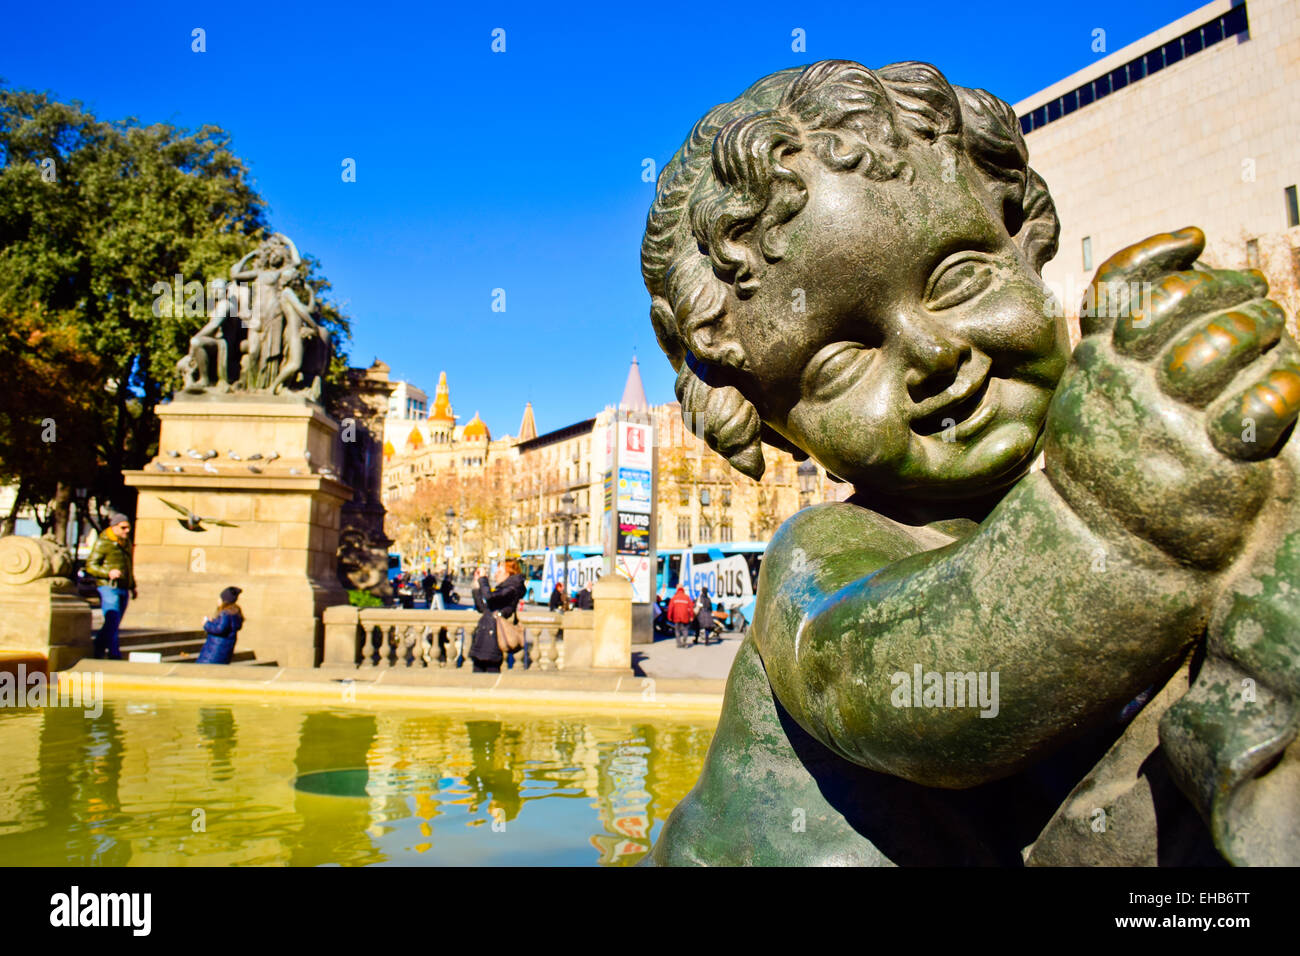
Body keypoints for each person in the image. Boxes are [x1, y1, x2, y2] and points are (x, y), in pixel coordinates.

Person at [642, 59, 1300, 866]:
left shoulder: (1055, 491)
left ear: (1026, 241)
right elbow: (916, 692)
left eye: (959, 276)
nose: (934, 353)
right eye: (841, 361)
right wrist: (1121, 525)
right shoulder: (827, 557)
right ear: (773, 427)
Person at [85, 513, 136, 660]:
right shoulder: (104, 542)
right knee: (112, 619)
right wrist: (108, 573)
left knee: (113, 623)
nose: (127, 530)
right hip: (108, 587)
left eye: (128, 527)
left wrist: (133, 586)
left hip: (123, 587)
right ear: (114, 527)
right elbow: (90, 566)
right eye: (123, 527)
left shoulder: (125, 542)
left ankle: (99, 647)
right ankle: (114, 654)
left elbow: (128, 566)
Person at [465, 557, 526, 672]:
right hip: (483, 636)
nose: (495, 574)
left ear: (509, 573)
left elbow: (490, 598)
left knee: (490, 675)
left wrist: (483, 579)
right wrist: (477, 587)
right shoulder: (502, 588)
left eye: (499, 571)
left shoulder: (512, 589)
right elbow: (482, 608)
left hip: (493, 639)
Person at [197, 587, 244, 664]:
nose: (218, 600)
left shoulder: (225, 613)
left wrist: (206, 623)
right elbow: (225, 626)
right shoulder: (233, 613)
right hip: (224, 650)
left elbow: (220, 629)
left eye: (220, 598)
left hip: (215, 651)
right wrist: (214, 622)